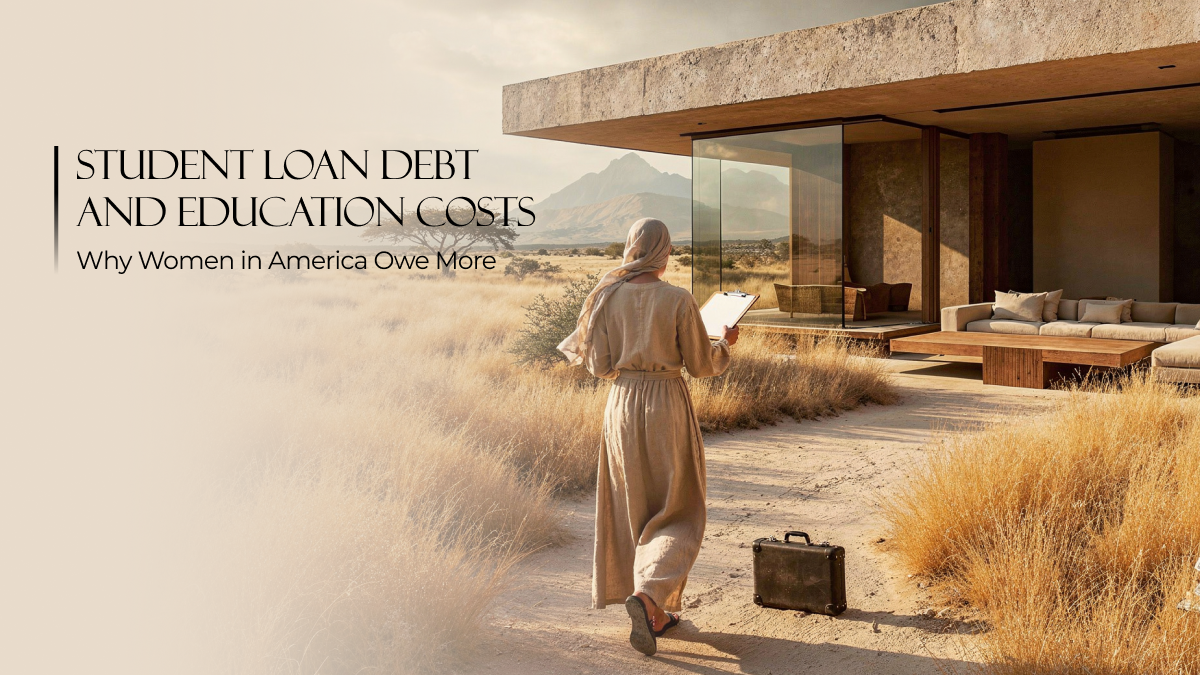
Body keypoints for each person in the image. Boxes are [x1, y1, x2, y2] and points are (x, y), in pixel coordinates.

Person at [558, 217, 738, 656]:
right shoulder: (677, 299)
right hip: (666, 404)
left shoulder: (605, 297)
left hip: (620, 406)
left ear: (630, 247)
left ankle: (654, 614)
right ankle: (649, 595)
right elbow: (700, 365)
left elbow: (599, 366)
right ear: (663, 251)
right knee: (680, 508)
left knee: (630, 505)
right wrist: (725, 343)